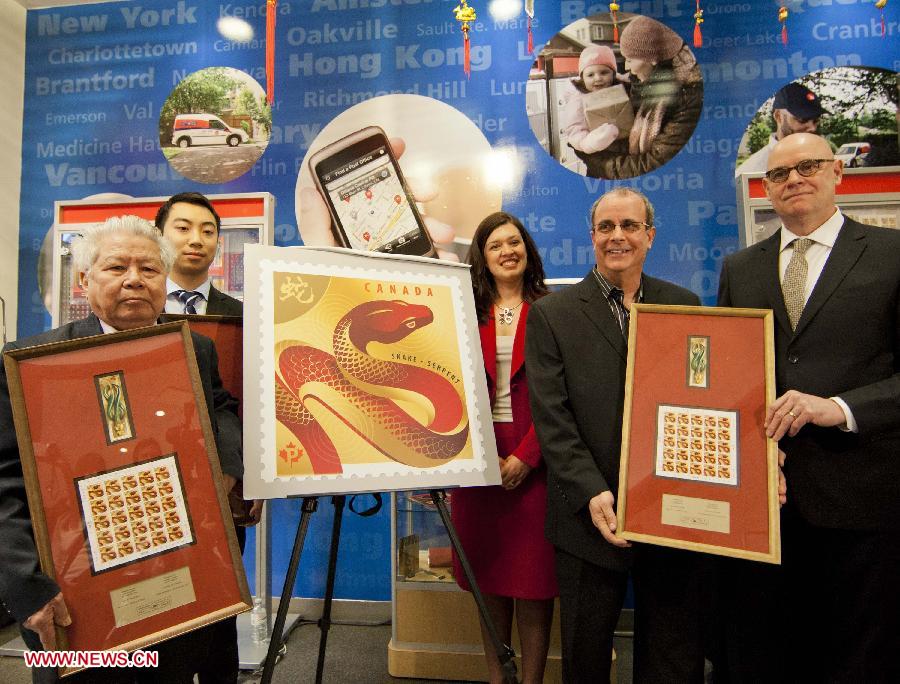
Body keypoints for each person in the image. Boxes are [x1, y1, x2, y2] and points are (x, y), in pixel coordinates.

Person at [0, 215, 243, 683]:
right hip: (71, 590)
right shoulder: (31, 365)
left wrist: (226, 464)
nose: (135, 279)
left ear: (165, 280)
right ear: (84, 280)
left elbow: (222, 408)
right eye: (117, 267)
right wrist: (26, 588)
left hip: (179, 572)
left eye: (149, 269)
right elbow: (5, 478)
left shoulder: (195, 349)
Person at [716, 132, 900, 682]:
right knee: (772, 652)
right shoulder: (740, 268)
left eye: (808, 166)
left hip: (864, 500)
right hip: (768, 503)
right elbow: (729, 378)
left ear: (838, 172)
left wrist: (838, 406)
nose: (794, 179)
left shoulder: (892, 254)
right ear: (765, 188)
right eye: (778, 173)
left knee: (861, 657)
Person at [525, 188, 705, 682]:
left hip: (670, 509)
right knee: (585, 652)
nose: (617, 236)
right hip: (587, 514)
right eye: (606, 227)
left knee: (671, 648)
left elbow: (701, 401)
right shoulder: (552, 315)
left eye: (629, 226)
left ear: (649, 235)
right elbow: (552, 419)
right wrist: (591, 491)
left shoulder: (684, 305)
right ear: (592, 237)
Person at [450, 212, 556, 684]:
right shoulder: (462, 314)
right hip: (478, 464)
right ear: (483, 257)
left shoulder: (555, 311)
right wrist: (480, 455)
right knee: (486, 581)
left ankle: (530, 680)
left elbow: (563, 395)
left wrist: (528, 458)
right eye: (495, 245)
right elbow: (448, 389)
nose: (507, 251)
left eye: (515, 242)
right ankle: (499, 679)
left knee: (534, 585)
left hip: (537, 464)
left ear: (527, 250)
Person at [580, 16, 703, 179]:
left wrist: (600, 163)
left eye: (630, 60)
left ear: (653, 59)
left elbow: (654, 163)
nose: (626, 67)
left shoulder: (686, 97)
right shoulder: (638, 85)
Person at [154, 192, 243, 316]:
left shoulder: (241, 315)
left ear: (218, 242)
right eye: (183, 228)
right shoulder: (137, 307)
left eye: (207, 231)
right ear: (158, 236)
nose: (196, 240)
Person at [734, 82, 824, 177]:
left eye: (815, 121)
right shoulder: (751, 172)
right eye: (802, 119)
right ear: (778, 116)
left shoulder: (824, 161)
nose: (812, 128)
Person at [560, 44, 626, 155]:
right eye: (590, 75)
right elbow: (574, 128)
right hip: (597, 150)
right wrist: (589, 143)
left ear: (613, 74)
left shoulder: (619, 89)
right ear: (583, 78)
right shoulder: (578, 99)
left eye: (604, 72)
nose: (598, 78)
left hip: (622, 146)